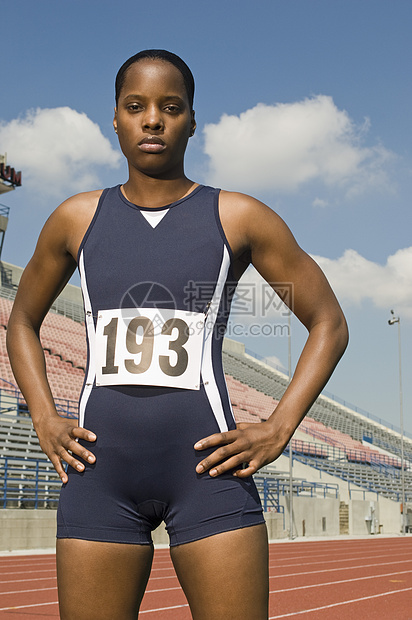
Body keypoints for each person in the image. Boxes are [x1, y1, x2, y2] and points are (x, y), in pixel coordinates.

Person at [6, 49, 348, 620]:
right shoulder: (76, 218)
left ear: (193, 119)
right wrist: (42, 414)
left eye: (171, 106)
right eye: (135, 106)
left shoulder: (238, 216)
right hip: (100, 472)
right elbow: (22, 321)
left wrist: (279, 426)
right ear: (114, 118)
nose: (153, 120)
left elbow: (328, 322)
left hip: (208, 473)